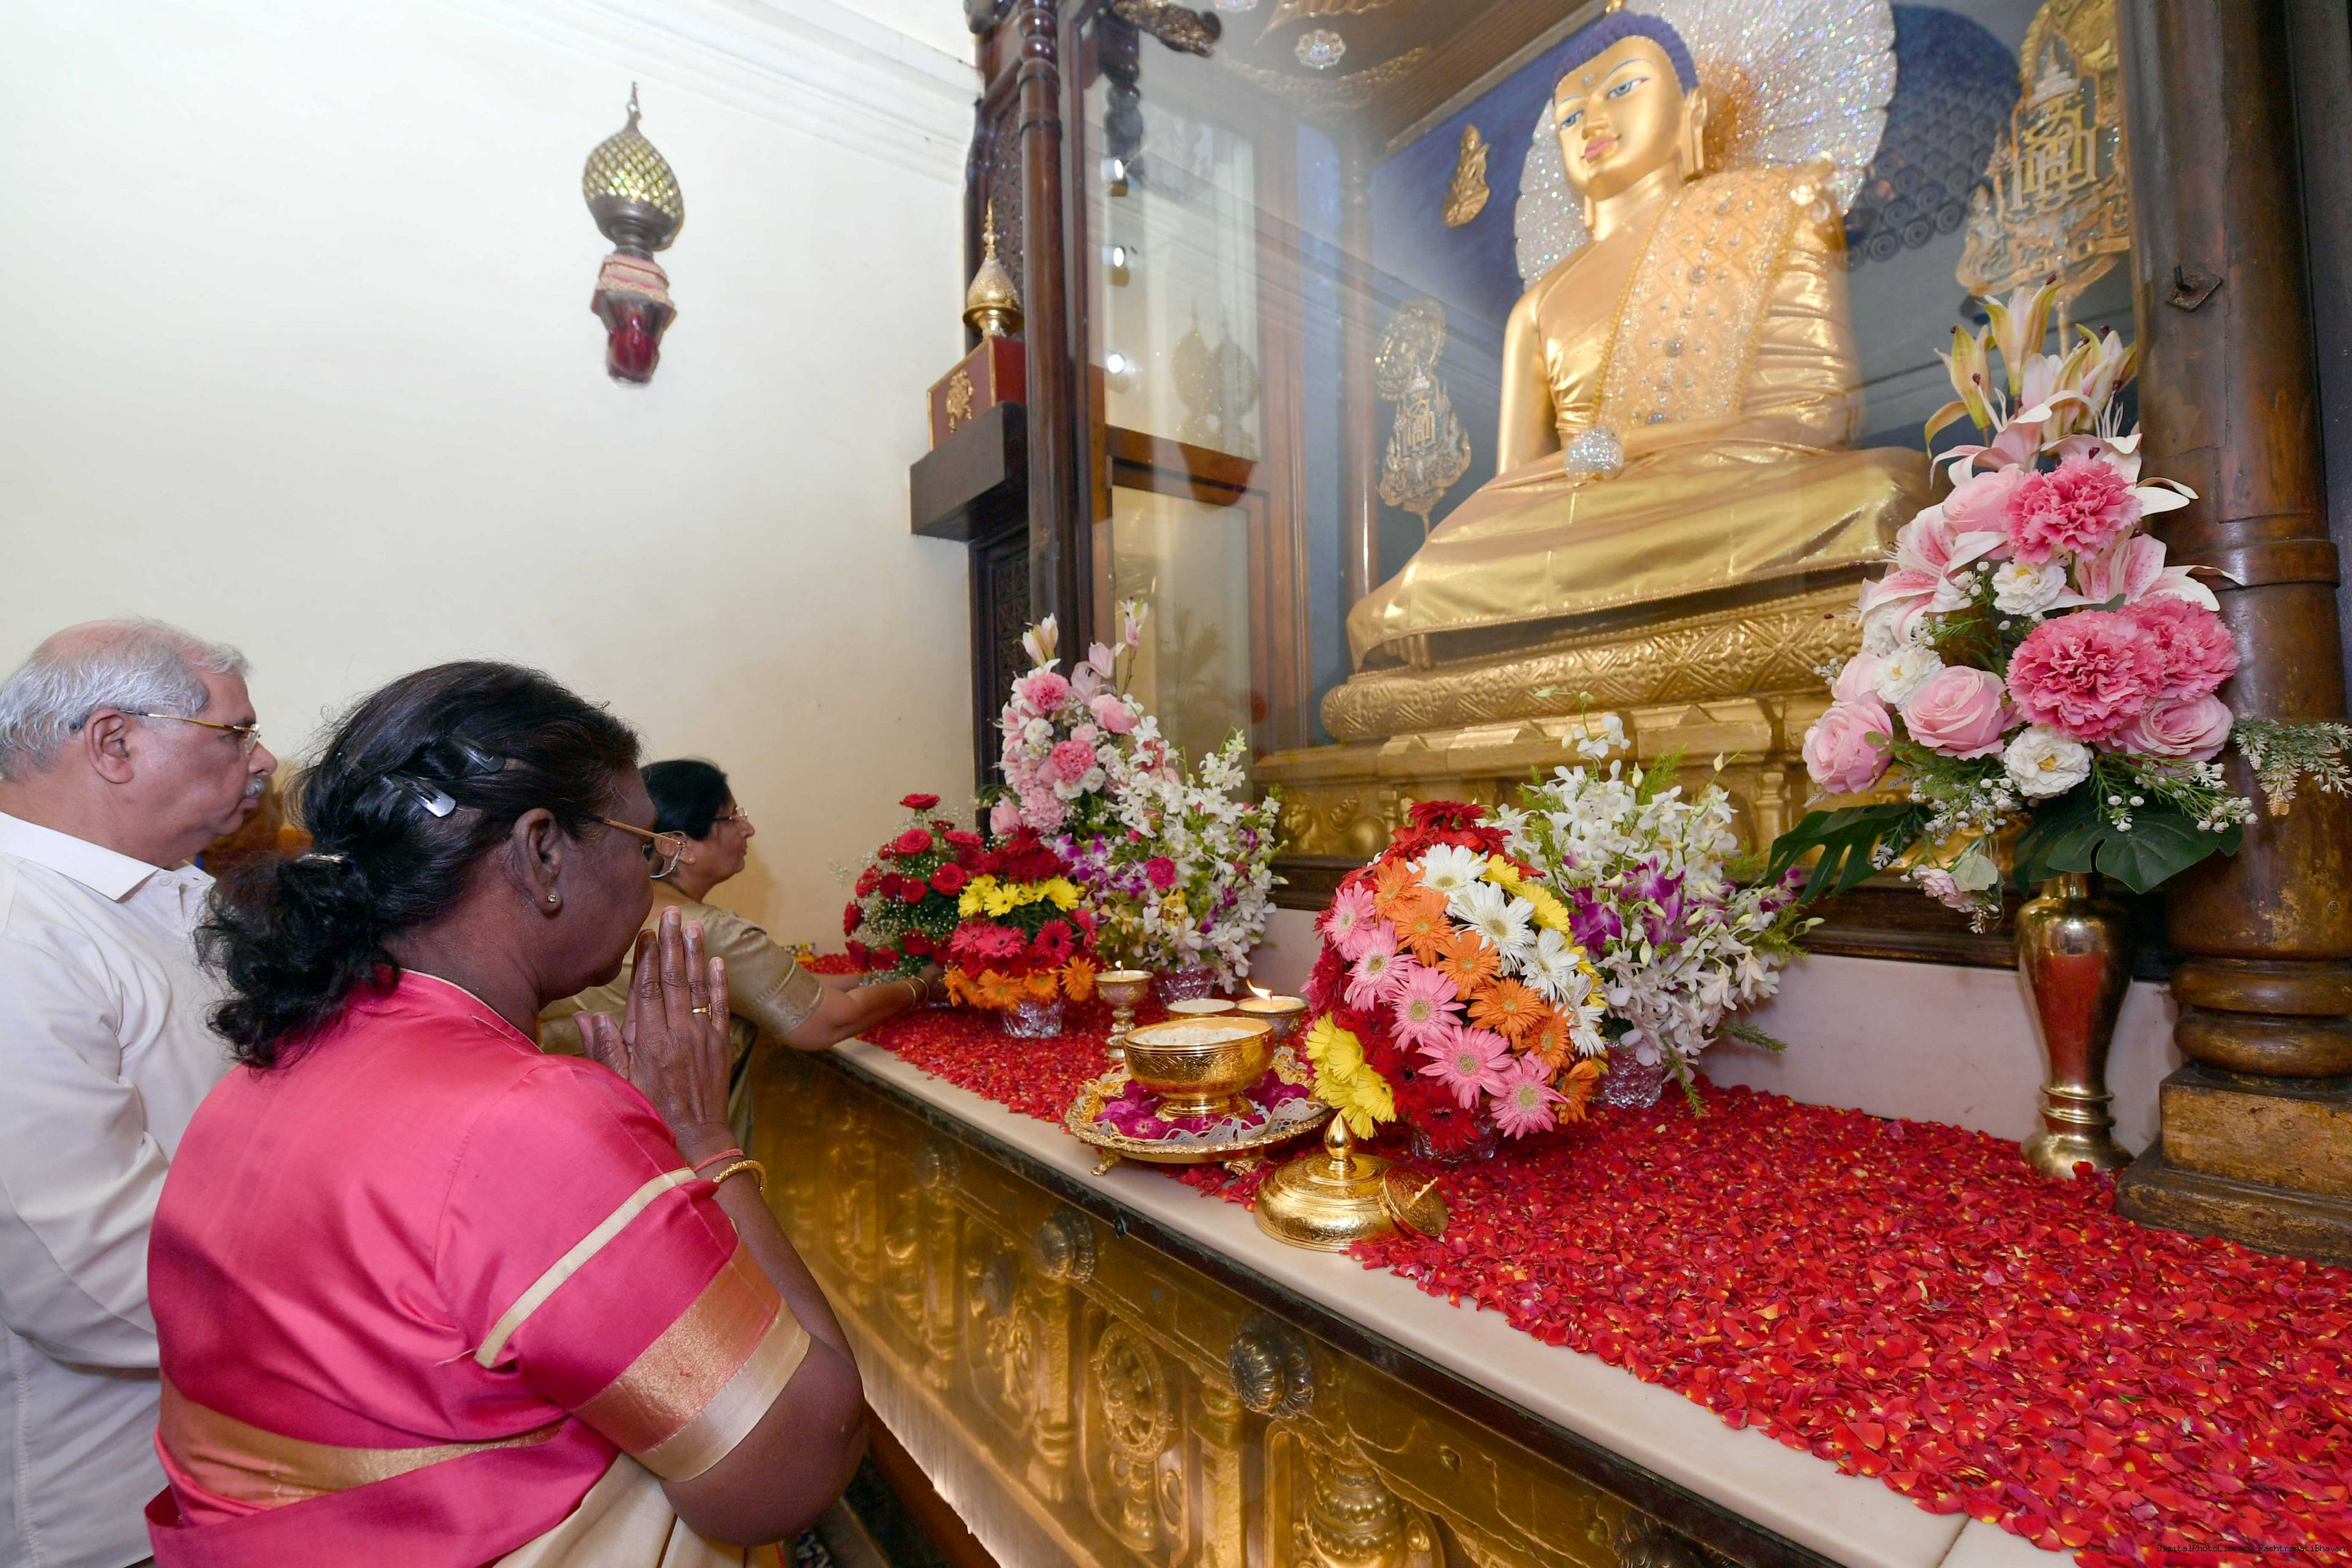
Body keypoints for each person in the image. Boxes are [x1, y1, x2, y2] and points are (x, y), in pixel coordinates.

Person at [146, 663, 865, 1564]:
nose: (648, 879)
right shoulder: (529, 1116)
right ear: (543, 853)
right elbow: (792, 1467)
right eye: (642, 844)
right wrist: (704, 1141)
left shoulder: (272, 1064)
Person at [0, 618, 275, 1568]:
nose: (261, 759)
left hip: (226, 1464)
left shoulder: (173, 896)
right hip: (113, 1507)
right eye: (235, 732)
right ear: (114, 742)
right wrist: (362, 1315)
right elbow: (86, 1273)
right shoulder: (20, 931)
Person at [539, 759, 937, 1089]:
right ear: (678, 846)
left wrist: (872, 976)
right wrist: (924, 984)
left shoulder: (609, 912)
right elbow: (826, 1022)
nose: (748, 828)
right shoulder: (701, 931)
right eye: (731, 817)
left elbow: (786, 985)